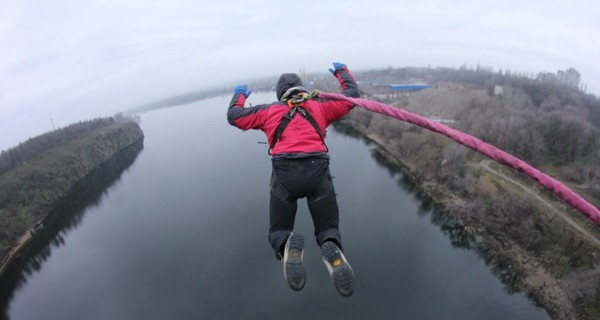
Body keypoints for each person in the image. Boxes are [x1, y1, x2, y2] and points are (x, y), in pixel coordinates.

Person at [227, 62, 360, 297]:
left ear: (280, 94)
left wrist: (239, 95)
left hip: (285, 173)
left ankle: (285, 243)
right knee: (328, 227)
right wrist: (342, 74)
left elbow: (235, 117)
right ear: (301, 89)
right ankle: (331, 246)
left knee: (279, 230)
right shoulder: (319, 106)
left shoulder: (269, 111)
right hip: (317, 170)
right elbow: (351, 98)